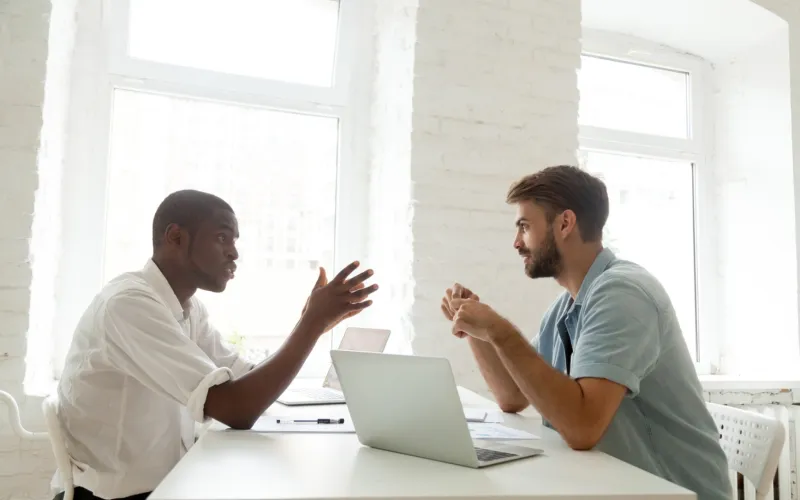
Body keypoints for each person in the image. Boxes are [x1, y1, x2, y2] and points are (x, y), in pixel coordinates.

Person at [55, 190, 378, 500]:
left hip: (169, 485)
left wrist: (309, 323)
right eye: (223, 237)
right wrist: (311, 325)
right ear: (176, 237)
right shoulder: (129, 305)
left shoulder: (187, 308)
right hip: (118, 497)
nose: (234, 253)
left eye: (235, 241)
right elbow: (236, 409)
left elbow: (245, 379)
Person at [440, 166, 730, 500]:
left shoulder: (623, 294)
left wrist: (498, 329)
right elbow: (513, 396)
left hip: (675, 491)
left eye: (525, 226)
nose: (517, 242)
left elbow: (582, 427)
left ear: (565, 223)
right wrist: (477, 329)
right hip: (616, 487)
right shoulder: (568, 304)